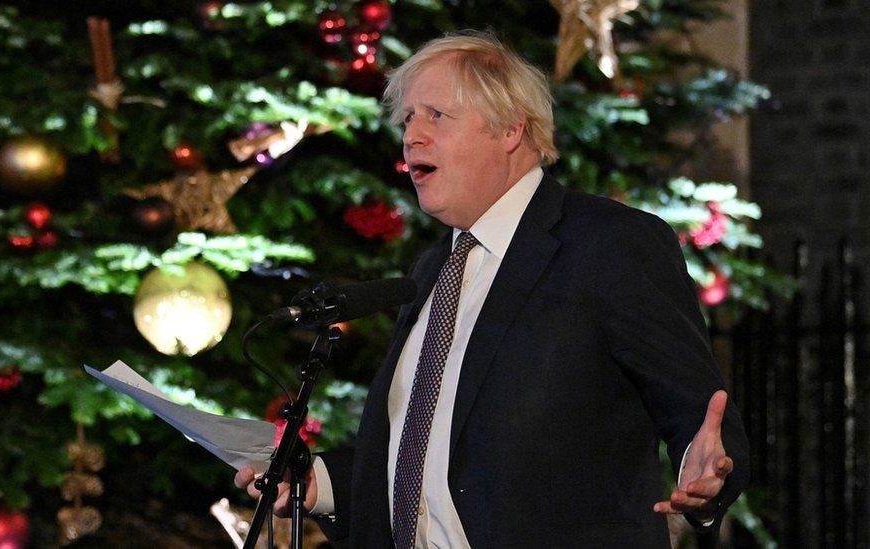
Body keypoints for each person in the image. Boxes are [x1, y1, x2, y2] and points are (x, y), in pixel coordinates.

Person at [236, 31, 748, 548]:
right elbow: (432, 460)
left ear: (509, 128)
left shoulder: (608, 244)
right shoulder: (434, 266)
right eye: (407, 118)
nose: (412, 136)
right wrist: (313, 483)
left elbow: (699, 413)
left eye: (436, 114)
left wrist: (706, 472)